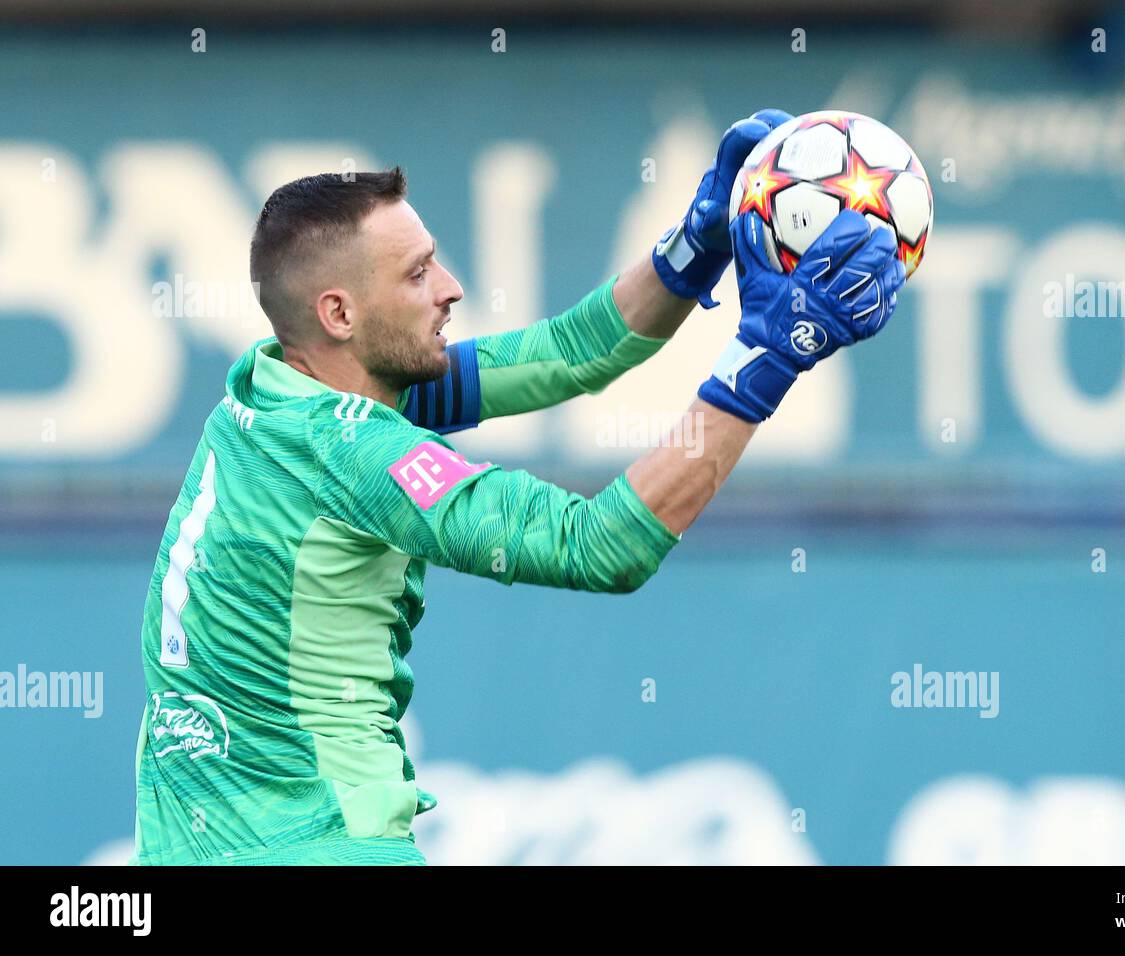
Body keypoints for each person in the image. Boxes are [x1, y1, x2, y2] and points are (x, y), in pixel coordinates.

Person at [132, 110, 908, 865]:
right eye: (417, 273)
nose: (452, 286)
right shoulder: (358, 456)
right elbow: (601, 547)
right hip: (322, 848)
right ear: (338, 312)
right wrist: (766, 358)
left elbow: (572, 351)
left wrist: (694, 244)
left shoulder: (270, 390)